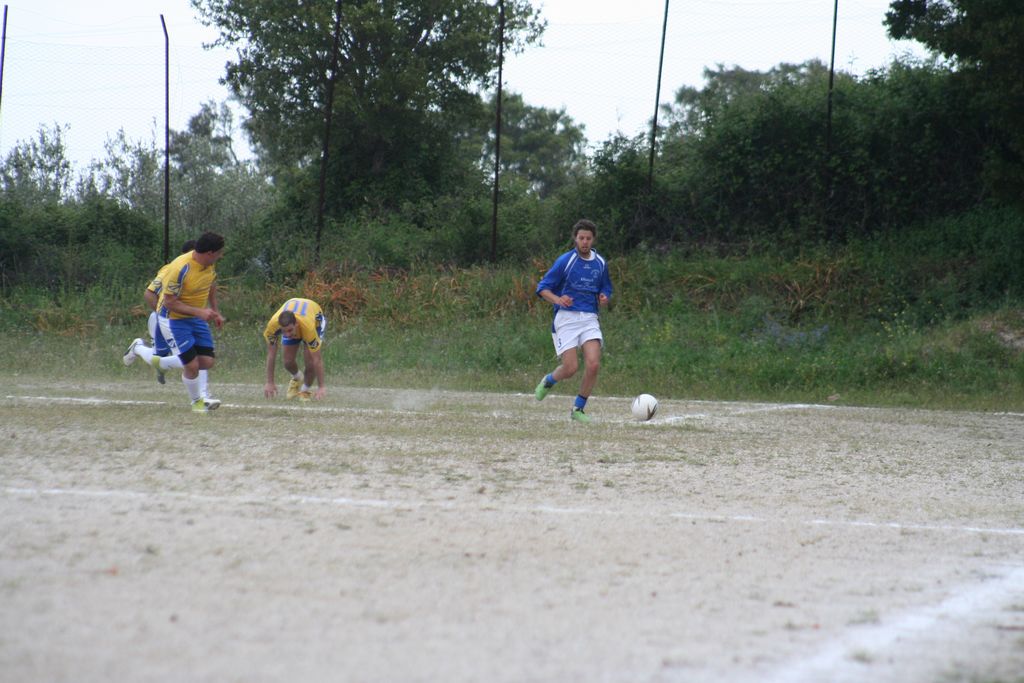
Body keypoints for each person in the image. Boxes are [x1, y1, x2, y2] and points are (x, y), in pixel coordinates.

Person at [533, 219, 613, 423]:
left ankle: (578, 409)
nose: (585, 242)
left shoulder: (600, 263)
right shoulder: (565, 261)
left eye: (588, 238)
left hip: (589, 318)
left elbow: (606, 287)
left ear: (593, 240)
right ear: (575, 239)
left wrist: (604, 296)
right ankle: (549, 380)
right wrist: (558, 299)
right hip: (567, 319)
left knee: (593, 364)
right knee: (570, 368)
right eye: (581, 238)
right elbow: (543, 288)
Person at [149, 231, 226, 412]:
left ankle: (162, 363)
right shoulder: (180, 268)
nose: (220, 256)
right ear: (210, 253)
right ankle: (197, 402)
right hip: (173, 320)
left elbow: (211, 284)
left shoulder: (209, 264)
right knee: (192, 365)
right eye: (219, 253)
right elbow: (169, 302)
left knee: (207, 362)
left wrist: (215, 311)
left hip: (195, 318)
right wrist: (199, 312)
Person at [122, 240, 199, 387]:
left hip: (181, 321)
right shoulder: (172, 269)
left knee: (160, 357)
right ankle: (200, 394)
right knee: (190, 357)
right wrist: (164, 317)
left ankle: (139, 348)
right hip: (165, 320)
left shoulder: (199, 272)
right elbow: (149, 294)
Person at [262, 298, 327, 401]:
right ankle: (298, 378)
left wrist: (321, 387)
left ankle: (304, 391)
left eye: (289, 330)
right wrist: (270, 382)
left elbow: (317, 359)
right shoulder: (272, 326)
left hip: (315, 321)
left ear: (296, 324)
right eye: (284, 331)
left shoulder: (308, 328)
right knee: (288, 362)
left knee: (310, 363)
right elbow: (271, 353)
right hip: (297, 316)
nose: (287, 335)